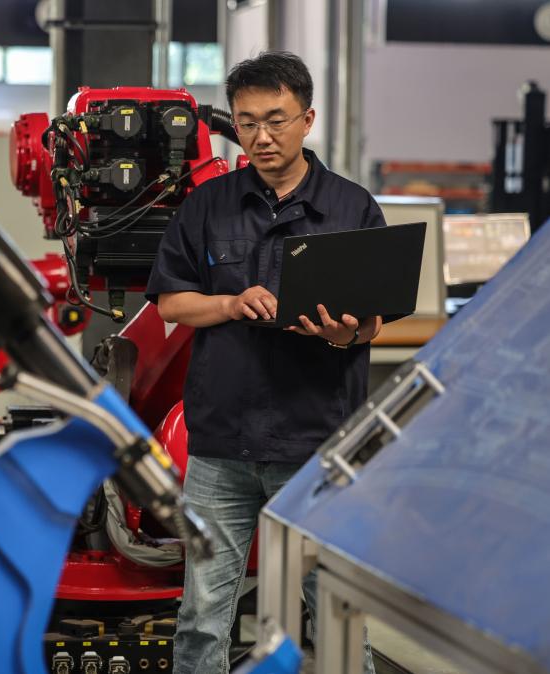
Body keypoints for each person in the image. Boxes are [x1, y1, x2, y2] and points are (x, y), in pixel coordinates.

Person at [145, 51, 383, 674]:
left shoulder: (353, 208)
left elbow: (373, 322)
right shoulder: (207, 205)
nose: (262, 136)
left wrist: (344, 334)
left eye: (276, 120)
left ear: (307, 119)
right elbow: (171, 302)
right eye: (247, 122)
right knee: (202, 613)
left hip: (314, 442)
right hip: (220, 444)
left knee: (334, 612)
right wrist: (228, 302)